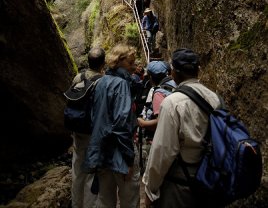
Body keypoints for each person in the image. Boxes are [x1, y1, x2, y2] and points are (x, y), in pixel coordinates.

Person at [142, 48, 221, 208]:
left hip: (181, 180)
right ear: (198, 70)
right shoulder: (215, 98)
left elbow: (163, 151)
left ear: (173, 73)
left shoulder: (173, 103)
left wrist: (150, 189)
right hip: (210, 176)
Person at [83, 44, 140, 208]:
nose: (134, 67)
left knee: (104, 201)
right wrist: (128, 159)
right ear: (119, 61)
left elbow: (95, 119)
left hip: (101, 153)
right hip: (120, 153)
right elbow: (121, 124)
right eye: (131, 63)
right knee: (129, 201)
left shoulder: (101, 82)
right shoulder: (122, 84)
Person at [71, 47, 106, 208]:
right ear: (103, 63)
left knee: (77, 171)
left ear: (88, 61)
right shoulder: (103, 81)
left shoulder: (79, 77)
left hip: (78, 129)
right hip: (94, 131)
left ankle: (76, 204)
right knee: (91, 173)